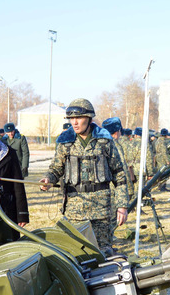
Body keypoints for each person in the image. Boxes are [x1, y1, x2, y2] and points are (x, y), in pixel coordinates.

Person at [39, 98, 128, 256]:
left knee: (104, 251)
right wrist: (48, 179)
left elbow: (119, 174)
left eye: (78, 118)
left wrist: (122, 206)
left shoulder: (104, 141)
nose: (74, 122)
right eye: (71, 119)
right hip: (75, 208)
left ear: (89, 118)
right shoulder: (65, 142)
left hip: (101, 208)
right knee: (77, 252)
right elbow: (55, 169)